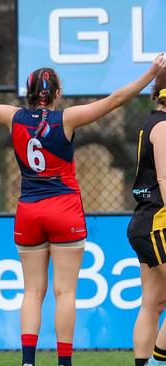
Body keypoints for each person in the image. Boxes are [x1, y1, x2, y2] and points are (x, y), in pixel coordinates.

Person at [0, 38, 166, 366]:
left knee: (32, 292)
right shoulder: (66, 119)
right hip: (63, 208)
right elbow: (116, 100)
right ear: (56, 94)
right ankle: (64, 363)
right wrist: (151, 73)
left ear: (28, 93)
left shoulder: (13, 118)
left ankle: (28, 362)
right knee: (65, 293)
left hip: (28, 209)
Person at [128, 70, 166, 366]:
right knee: (153, 303)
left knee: (153, 303)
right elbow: (164, 178)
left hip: (144, 220)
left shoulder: (152, 121)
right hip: (158, 222)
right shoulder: (164, 126)